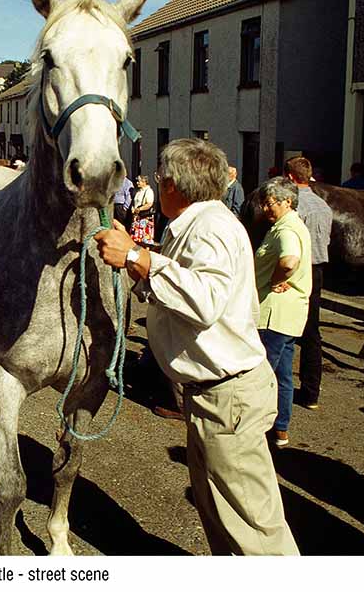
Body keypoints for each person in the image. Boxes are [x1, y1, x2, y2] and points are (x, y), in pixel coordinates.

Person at [94, 138, 298, 555]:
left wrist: (136, 257)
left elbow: (203, 300)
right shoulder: (201, 224)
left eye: (159, 177)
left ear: (171, 184)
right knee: (221, 515)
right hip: (215, 396)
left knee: (254, 531)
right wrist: (136, 255)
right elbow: (183, 285)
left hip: (227, 396)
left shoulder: (210, 229)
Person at [254, 176, 312, 449]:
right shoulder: (291, 224)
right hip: (289, 314)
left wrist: (276, 278)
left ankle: (254, 428)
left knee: (261, 375)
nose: (265, 208)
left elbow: (289, 261)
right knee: (283, 376)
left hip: (273, 314)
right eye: (264, 203)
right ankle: (280, 429)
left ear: (287, 202)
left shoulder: (286, 229)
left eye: (270, 203)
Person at [285, 157, 332, 410]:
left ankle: (277, 385)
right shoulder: (323, 206)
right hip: (317, 269)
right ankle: (311, 391)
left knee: (283, 328)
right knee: (312, 330)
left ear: (290, 178)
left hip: (297, 266)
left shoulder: (294, 206)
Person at [130, 175, 155, 244]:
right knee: (136, 237)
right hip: (137, 217)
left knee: (144, 238)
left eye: (139, 181)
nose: (137, 183)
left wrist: (139, 209)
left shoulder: (148, 191)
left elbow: (149, 204)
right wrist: (133, 208)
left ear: (144, 182)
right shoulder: (138, 191)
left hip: (144, 217)